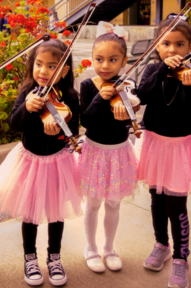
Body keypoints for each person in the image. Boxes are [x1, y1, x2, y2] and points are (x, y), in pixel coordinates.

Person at [0, 39, 82, 287]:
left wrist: (61, 134)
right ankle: (30, 257)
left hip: (57, 161)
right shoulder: (27, 93)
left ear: (64, 71)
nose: (43, 71)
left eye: (52, 66)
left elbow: (72, 131)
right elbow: (14, 124)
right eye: (39, 64)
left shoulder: (70, 96)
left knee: (56, 213)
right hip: (30, 162)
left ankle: (54, 256)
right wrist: (27, 108)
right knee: (30, 212)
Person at [136, 18, 191, 288]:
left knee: (176, 205)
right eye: (165, 43)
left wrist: (189, 86)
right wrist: (162, 70)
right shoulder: (153, 68)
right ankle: (161, 244)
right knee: (156, 199)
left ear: (190, 46)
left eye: (179, 44)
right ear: (157, 45)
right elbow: (142, 96)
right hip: (154, 142)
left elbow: (189, 111)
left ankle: (181, 259)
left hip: (179, 147)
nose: (172, 49)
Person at [78, 22, 138, 273]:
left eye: (112, 60)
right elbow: (86, 120)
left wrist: (130, 106)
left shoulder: (127, 85)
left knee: (113, 203)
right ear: (92, 59)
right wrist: (99, 98)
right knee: (92, 203)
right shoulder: (88, 86)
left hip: (119, 151)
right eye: (99, 59)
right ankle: (91, 248)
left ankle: (109, 248)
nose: (105, 65)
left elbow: (134, 110)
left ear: (123, 62)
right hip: (95, 150)